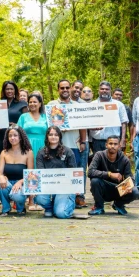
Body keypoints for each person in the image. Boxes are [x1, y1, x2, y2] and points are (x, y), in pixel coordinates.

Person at [47, 80, 88, 208]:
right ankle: (58, 198)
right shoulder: (51, 105)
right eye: (62, 88)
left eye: (66, 88)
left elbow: (82, 125)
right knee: (58, 171)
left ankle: (77, 197)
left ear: (70, 88)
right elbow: (49, 126)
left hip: (73, 144)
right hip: (56, 145)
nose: (64, 90)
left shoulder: (77, 105)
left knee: (75, 171)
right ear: (58, 90)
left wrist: (82, 141)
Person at [88, 136, 139, 215]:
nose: (113, 146)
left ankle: (118, 204)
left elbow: (130, 177)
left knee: (135, 191)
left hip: (119, 189)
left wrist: (129, 186)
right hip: (102, 188)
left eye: (115, 144)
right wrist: (109, 174)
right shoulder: (99, 155)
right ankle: (99, 207)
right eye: (110, 143)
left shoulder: (125, 160)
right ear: (106, 145)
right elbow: (90, 172)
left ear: (119, 146)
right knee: (95, 181)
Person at [34, 127, 78, 218]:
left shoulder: (68, 151)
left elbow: (73, 172)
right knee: (39, 197)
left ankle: (68, 205)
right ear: (47, 136)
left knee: (61, 214)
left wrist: (75, 186)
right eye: (50, 134)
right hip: (48, 186)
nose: (53, 137)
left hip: (64, 187)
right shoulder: (41, 152)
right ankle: (50, 208)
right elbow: (40, 173)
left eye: (56, 135)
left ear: (59, 137)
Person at [17, 93, 48, 211]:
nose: (32, 104)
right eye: (30, 102)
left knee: (40, 171)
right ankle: (30, 200)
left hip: (43, 147)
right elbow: (18, 132)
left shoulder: (46, 117)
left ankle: (41, 199)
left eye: (35, 102)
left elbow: (52, 131)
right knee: (29, 171)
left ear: (40, 104)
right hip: (27, 147)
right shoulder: (23, 117)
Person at [0, 126, 34, 215]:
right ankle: (5, 209)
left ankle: (21, 208)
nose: (12, 138)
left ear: (20, 137)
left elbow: (31, 175)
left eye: (15, 135)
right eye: (10, 136)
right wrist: (1, 177)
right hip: (8, 183)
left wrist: (20, 182)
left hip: (22, 184)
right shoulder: (4, 152)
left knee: (16, 195)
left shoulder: (28, 152)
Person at [89, 81, 129, 153]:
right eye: (102, 89)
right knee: (99, 163)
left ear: (110, 91)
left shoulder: (119, 105)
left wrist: (122, 140)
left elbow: (124, 123)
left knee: (114, 163)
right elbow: (88, 122)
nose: (104, 91)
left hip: (113, 142)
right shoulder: (92, 104)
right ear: (98, 90)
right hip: (96, 141)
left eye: (107, 89)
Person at [0, 80, 28, 152]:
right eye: (7, 89)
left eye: (11, 89)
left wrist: (17, 125)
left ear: (15, 90)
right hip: (1, 137)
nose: (9, 91)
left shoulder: (22, 103)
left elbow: (27, 121)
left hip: (16, 137)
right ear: (4, 91)